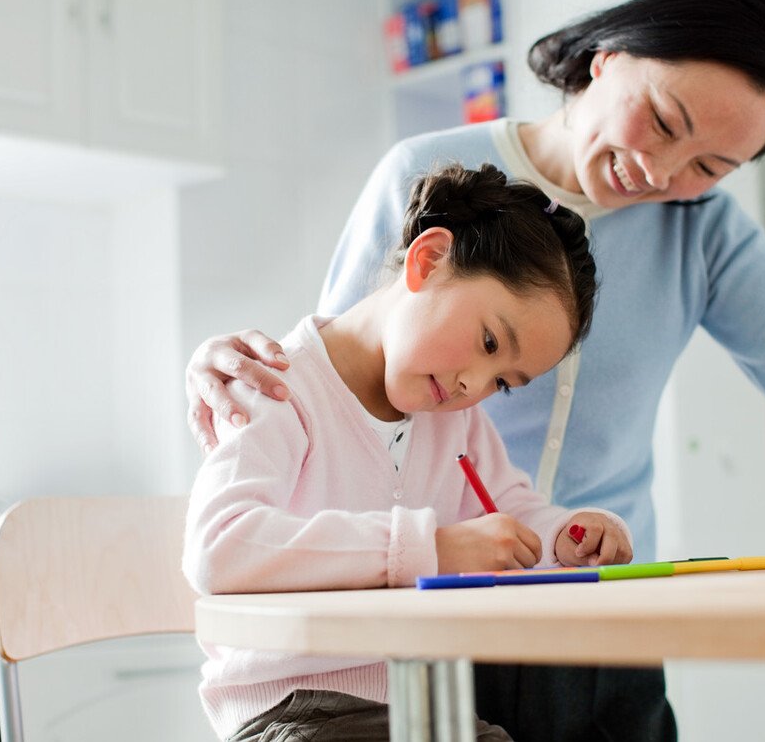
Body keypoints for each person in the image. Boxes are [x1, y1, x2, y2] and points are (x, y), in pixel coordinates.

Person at [184, 0, 765, 740]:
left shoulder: (704, 234)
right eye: (662, 121)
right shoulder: (429, 176)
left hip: (605, 607)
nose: (661, 172)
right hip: (450, 616)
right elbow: (353, 374)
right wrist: (230, 360)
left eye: (709, 167)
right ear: (607, 59)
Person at [182, 162, 633, 742]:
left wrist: (574, 534)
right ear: (428, 260)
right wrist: (431, 548)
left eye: (503, 382)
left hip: (419, 702)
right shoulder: (276, 387)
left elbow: (512, 513)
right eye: (490, 342)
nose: (476, 385)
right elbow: (219, 549)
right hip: (296, 711)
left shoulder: (456, 421)